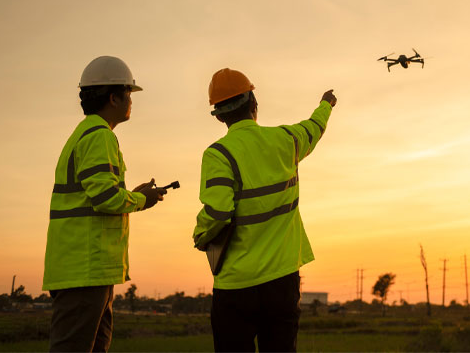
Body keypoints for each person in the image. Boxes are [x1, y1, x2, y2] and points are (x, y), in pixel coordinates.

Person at [193, 68, 336, 352]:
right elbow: (314, 127)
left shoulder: (217, 155)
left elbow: (218, 213)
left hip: (235, 286)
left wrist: (200, 234)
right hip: (282, 283)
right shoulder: (286, 140)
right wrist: (326, 104)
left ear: (219, 115)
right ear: (254, 104)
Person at [43, 56, 166, 352]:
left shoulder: (86, 135)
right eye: (128, 94)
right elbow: (105, 199)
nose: (131, 101)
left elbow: (99, 192)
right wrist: (141, 199)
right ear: (113, 97)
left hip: (87, 269)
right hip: (85, 269)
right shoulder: (100, 137)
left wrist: (131, 193)